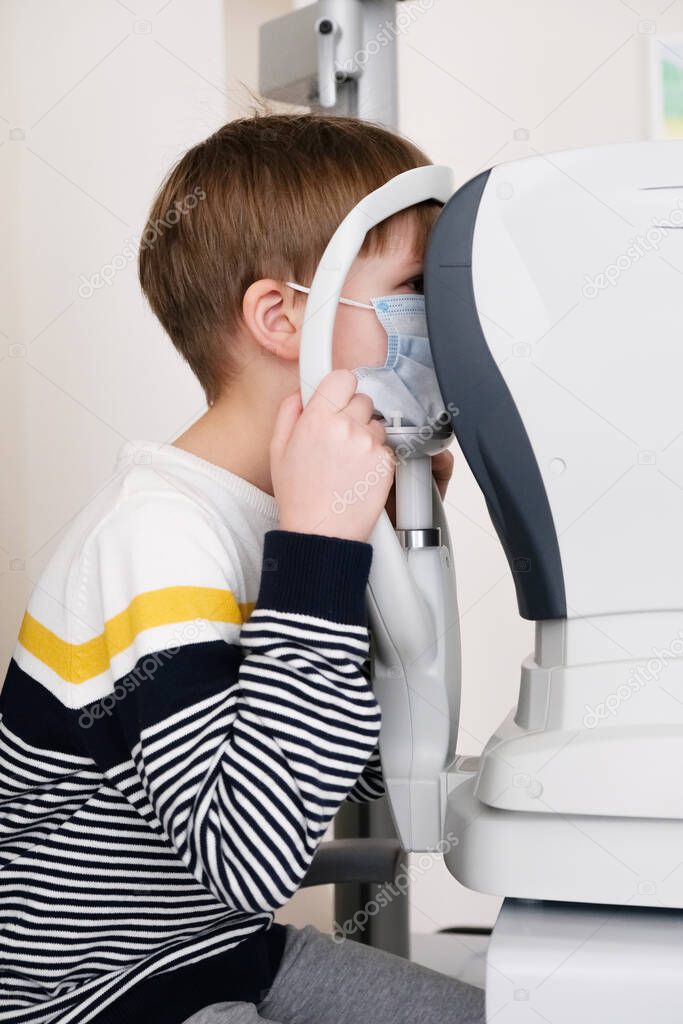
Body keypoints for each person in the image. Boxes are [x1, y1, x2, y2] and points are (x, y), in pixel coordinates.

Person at [0, 112, 484, 1024]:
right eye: (415, 289)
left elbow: (367, 776)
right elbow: (250, 854)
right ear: (279, 316)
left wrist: (390, 563)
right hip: (96, 994)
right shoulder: (157, 535)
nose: (444, 324)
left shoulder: (293, 516)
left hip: (223, 950)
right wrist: (318, 562)